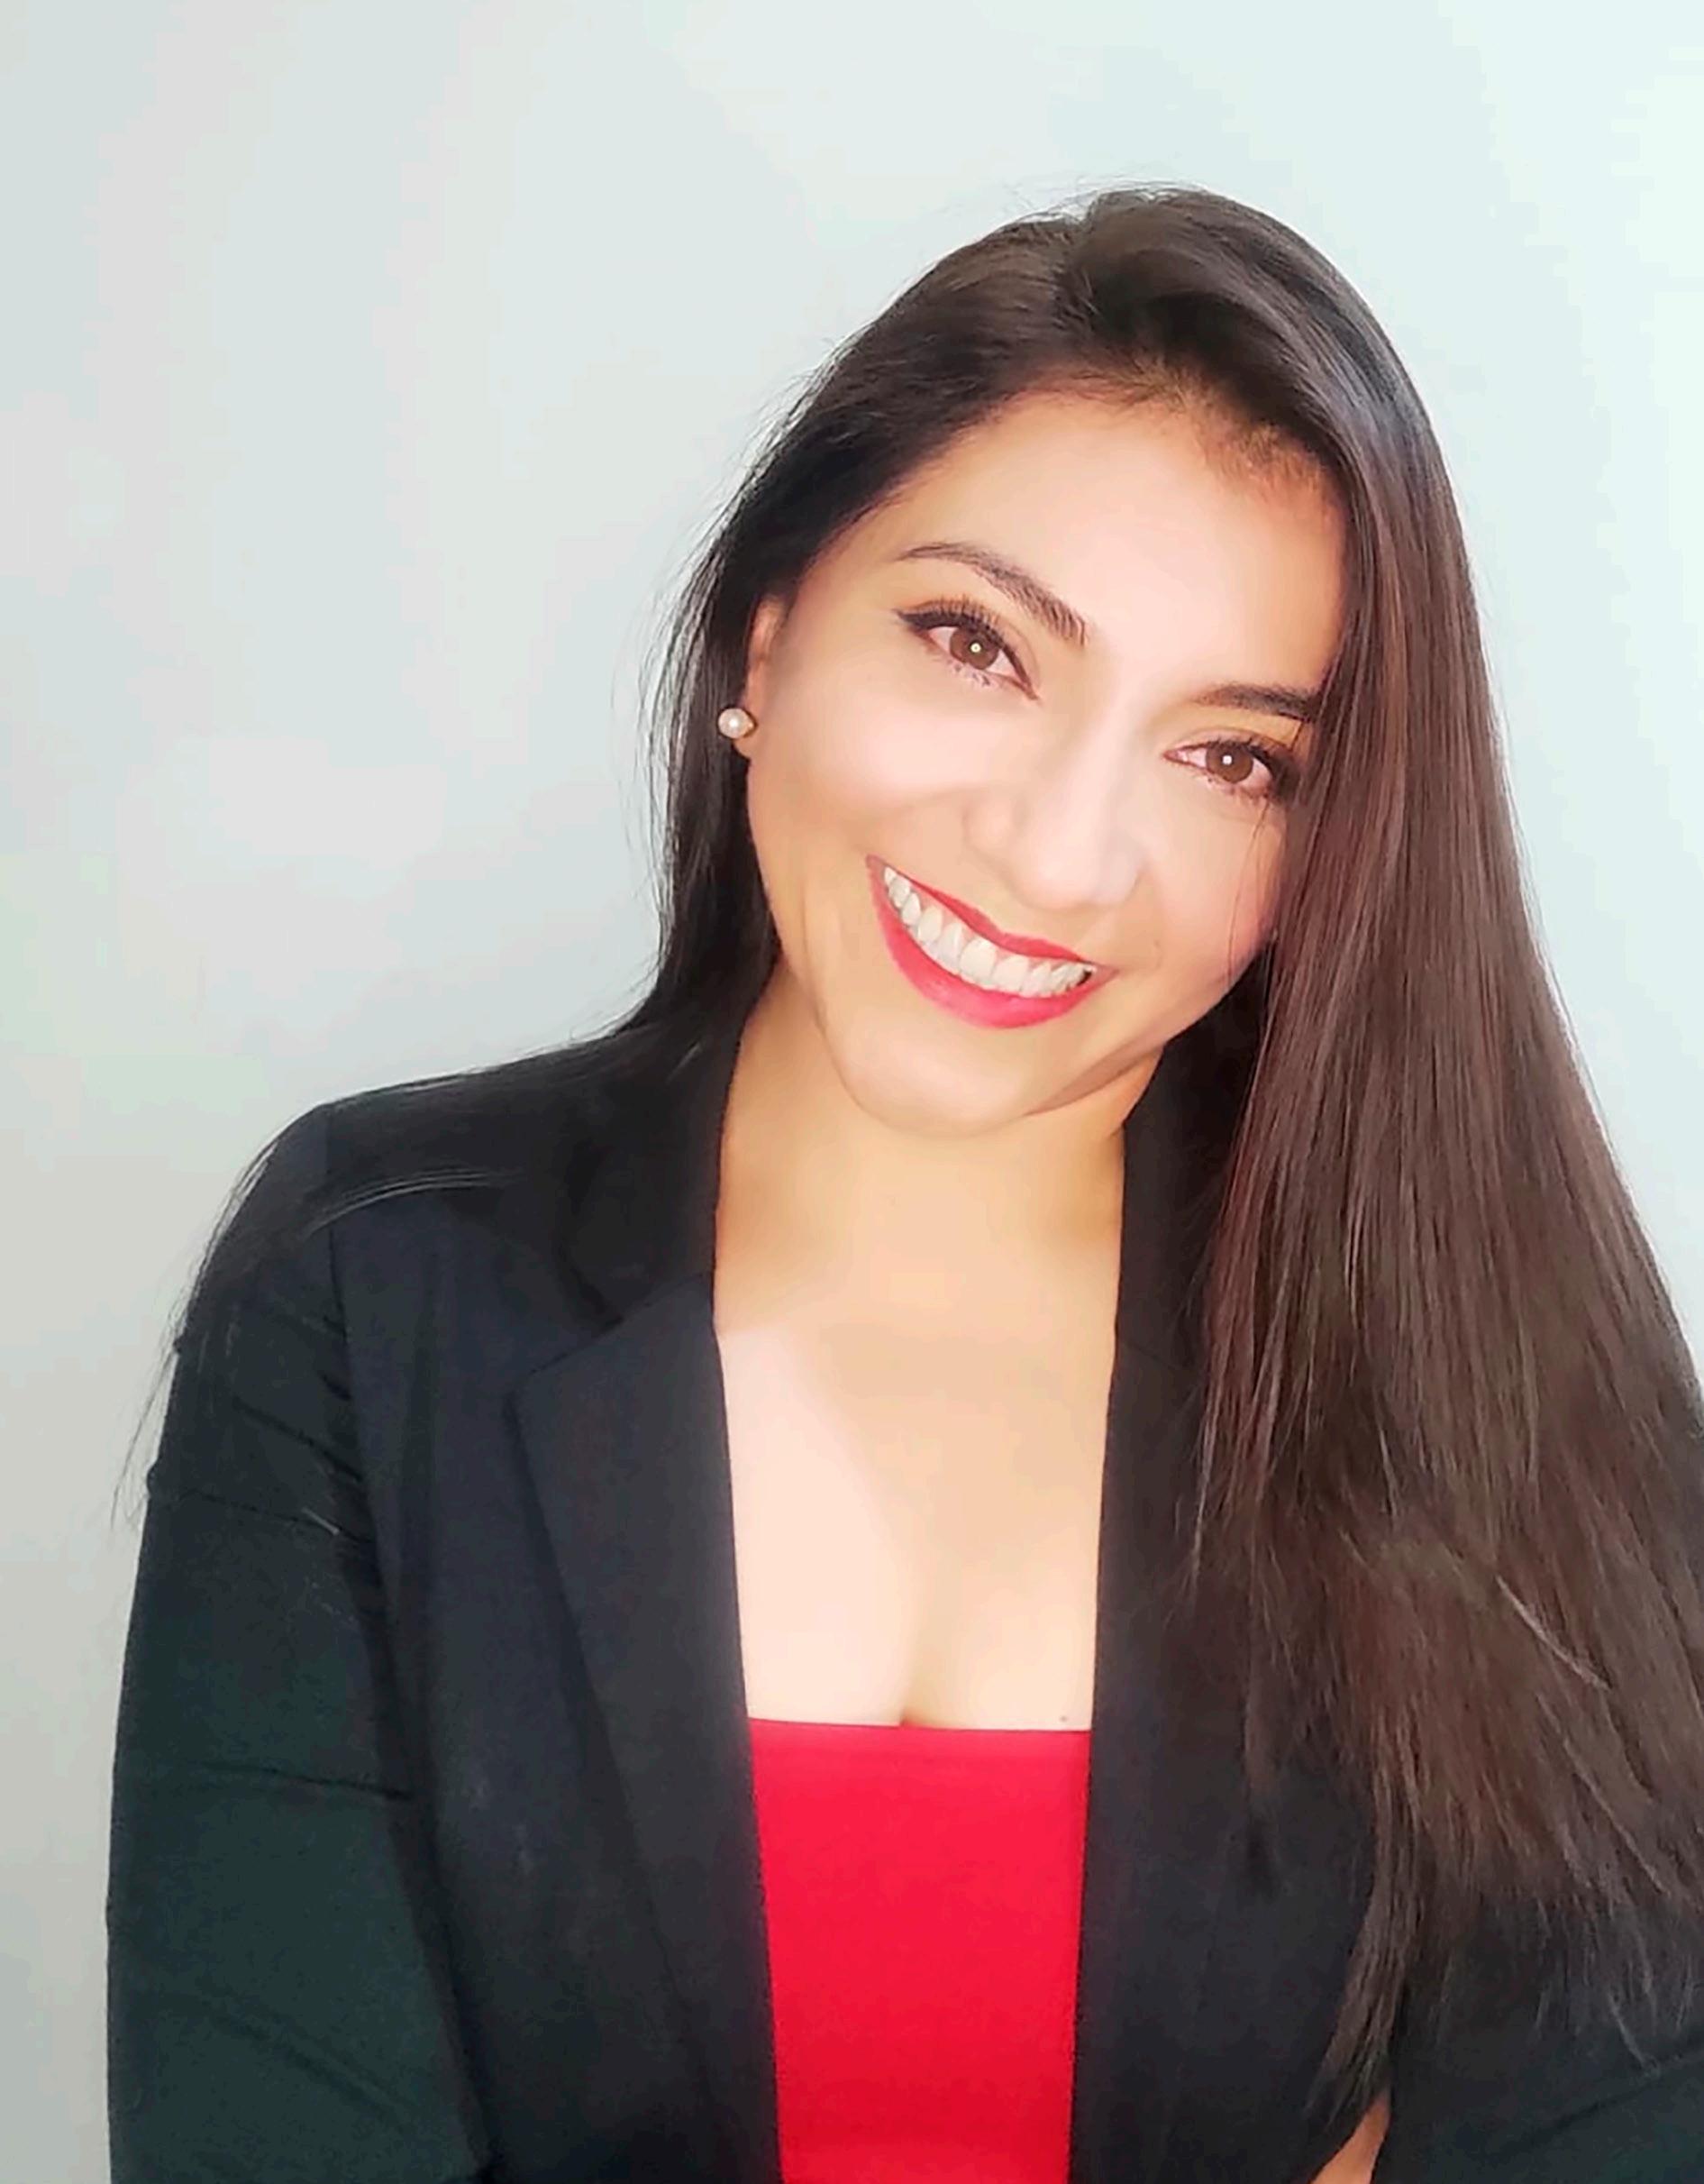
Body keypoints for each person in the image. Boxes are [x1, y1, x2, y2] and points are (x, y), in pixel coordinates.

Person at [106, 185, 1704, 2184]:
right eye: (978, 644)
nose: (1057, 855)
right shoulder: (371, 1282)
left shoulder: (1496, 1374)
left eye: (1232, 759)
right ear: (765, 632)